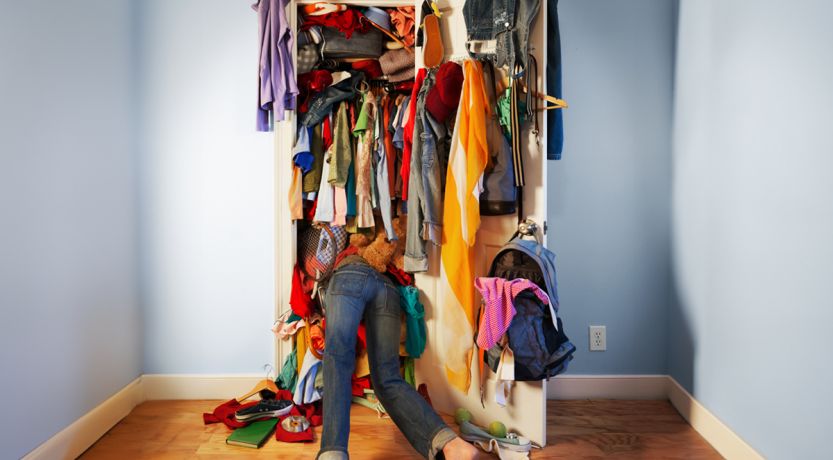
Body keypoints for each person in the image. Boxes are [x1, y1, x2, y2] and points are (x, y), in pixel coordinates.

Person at [316, 220, 483, 459]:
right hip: (388, 288)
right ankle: (451, 444)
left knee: (338, 360)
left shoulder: (353, 227)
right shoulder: (396, 226)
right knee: (388, 378)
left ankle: (333, 453)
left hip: (349, 274)